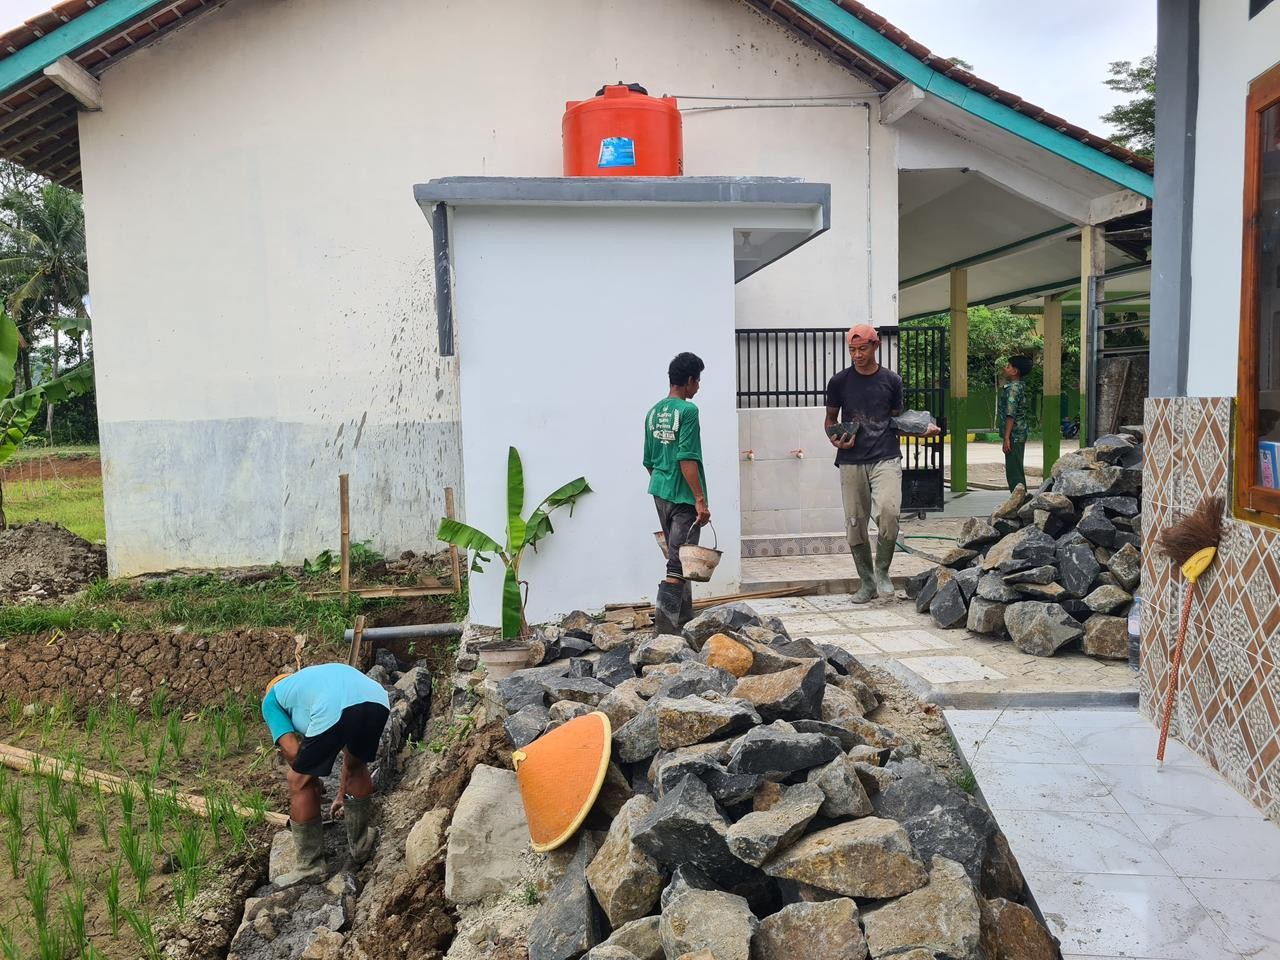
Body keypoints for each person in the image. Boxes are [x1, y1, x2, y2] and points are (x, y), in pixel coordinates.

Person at [824, 324, 940, 603]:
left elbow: (895, 420)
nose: (857, 355)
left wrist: (919, 429)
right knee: (855, 523)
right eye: (852, 350)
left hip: (885, 455)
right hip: (851, 459)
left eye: (862, 349)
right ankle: (867, 583)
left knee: (888, 511)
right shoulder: (839, 382)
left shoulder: (891, 380)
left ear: (876, 346)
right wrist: (836, 439)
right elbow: (830, 420)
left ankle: (883, 572)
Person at [261, 662, 391, 885]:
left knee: (297, 781)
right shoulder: (310, 681)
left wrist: (310, 778)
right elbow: (349, 756)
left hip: (334, 706)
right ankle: (361, 845)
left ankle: (310, 867)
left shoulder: (271, 699)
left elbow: (292, 750)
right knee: (357, 764)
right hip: (377, 700)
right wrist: (340, 793)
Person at [644, 351, 710, 634]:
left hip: (660, 491)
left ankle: (683, 622)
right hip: (682, 496)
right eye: (698, 380)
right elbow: (686, 458)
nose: (699, 386)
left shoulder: (653, 412)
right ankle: (665, 634)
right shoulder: (688, 411)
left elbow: (649, 460)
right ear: (689, 380)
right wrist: (699, 500)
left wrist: (664, 486)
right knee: (678, 562)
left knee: (681, 559)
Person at [999, 355, 1032, 492]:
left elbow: (1010, 414)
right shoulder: (1020, 387)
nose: (1005, 368)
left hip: (1014, 434)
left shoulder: (1012, 389)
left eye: (1008, 366)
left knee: (1014, 472)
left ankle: (1019, 498)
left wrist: (1006, 437)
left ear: (1015, 371)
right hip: (1019, 433)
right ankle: (1021, 497)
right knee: (1016, 467)